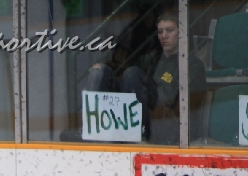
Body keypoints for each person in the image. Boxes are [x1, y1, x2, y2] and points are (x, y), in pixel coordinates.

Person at [75, 11, 205, 144]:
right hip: (137, 112)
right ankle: (90, 128)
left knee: (132, 73)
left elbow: (186, 107)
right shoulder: (149, 60)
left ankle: (133, 132)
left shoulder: (191, 65)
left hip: (165, 121)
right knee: (99, 72)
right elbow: (125, 83)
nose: (164, 35)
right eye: (160, 32)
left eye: (169, 30)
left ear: (181, 33)